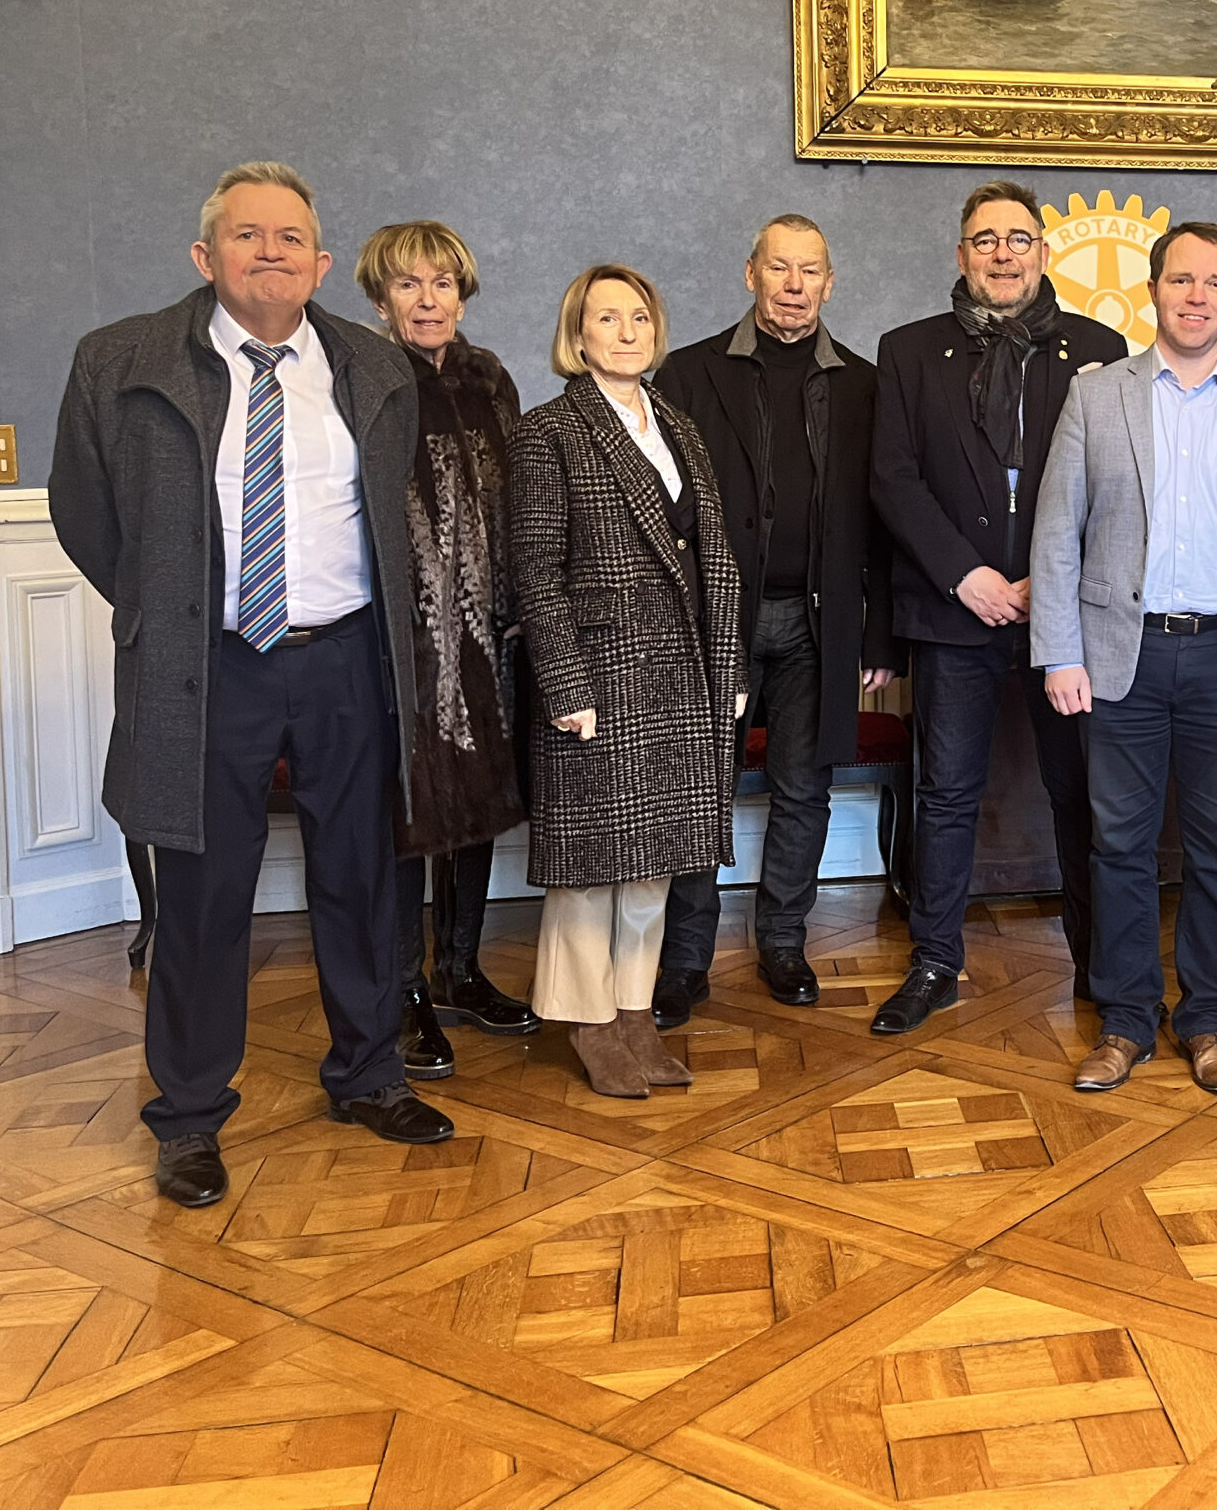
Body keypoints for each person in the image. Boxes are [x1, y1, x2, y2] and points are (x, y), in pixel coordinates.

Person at [49, 162, 452, 1210]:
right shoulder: (121, 361)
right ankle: (188, 1115)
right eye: (246, 235)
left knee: (362, 876)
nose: (269, 252)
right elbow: (84, 512)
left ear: (321, 263)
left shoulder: (374, 365)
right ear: (205, 256)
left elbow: (392, 510)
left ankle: (368, 1074)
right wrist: (169, 608)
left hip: (347, 657)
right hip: (208, 663)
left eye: (290, 239)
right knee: (202, 890)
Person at [1030, 222, 1217, 1094]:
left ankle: (1208, 1020)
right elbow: (1057, 534)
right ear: (1152, 289)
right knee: (1118, 847)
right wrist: (1060, 651)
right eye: (1182, 280)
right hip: (1117, 656)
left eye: (1216, 282)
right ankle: (1125, 1021)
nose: (1198, 296)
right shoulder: (1096, 396)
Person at [869, 179, 1127, 1032]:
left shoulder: (1100, 349)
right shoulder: (908, 351)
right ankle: (934, 962)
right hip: (954, 611)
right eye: (985, 240)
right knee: (945, 794)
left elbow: (1115, 481)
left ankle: (1099, 963)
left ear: (1043, 254)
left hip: (1065, 613)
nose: (1003, 254)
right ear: (961, 254)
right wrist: (964, 575)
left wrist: (1047, 578)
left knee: (1079, 792)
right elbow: (893, 479)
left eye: (1018, 239)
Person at [507, 265, 744, 1098]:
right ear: (578, 337)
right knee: (593, 861)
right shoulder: (548, 432)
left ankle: (635, 1011)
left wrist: (728, 668)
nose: (627, 331)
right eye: (607, 318)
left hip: (682, 671)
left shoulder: (677, 425)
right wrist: (564, 684)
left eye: (639, 316)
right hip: (599, 674)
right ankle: (587, 1020)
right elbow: (535, 571)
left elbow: (714, 557)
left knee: (656, 858)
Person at [657, 214, 895, 1018]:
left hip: (819, 626)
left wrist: (877, 635)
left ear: (830, 283)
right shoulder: (688, 375)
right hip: (713, 624)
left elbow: (882, 522)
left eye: (810, 271)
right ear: (750, 273)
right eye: (779, 268)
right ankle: (684, 960)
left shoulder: (864, 386)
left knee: (804, 788)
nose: (794, 286)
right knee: (699, 790)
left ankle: (784, 944)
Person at [354, 219, 539, 1082]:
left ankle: (460, 969)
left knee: (478, 802)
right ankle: (401, 992)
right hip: (399, 639)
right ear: (379, 297)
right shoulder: (363, 378)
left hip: (487, 635)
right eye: (408, 284)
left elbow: (520, 497)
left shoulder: (489, 378)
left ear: (461, 295)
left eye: (442, 284)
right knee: (406, 812)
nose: (427, 300)